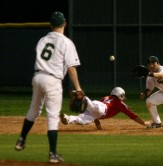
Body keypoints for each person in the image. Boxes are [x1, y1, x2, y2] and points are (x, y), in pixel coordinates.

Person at [14, 11, 84, 164]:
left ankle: (21, 140)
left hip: (38, 77)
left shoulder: (42, 40)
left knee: (34, 110)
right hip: (52, 80)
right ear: (65, 23)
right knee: (52, 116)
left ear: (51, 25)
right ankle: (53, 154)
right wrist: (78, 89)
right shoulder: (66, 42)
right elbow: (71, 69)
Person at [60, 87, 146, 129]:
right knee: (92, 107)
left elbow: (96, 115)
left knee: (83, 121)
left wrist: (99, 128)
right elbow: (132, 115)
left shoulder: (107, 97)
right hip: (101, 109)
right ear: (121, 95)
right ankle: (83, 97)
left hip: (96, 109)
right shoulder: (119, 102)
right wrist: (144, 124)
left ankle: (67, 118)